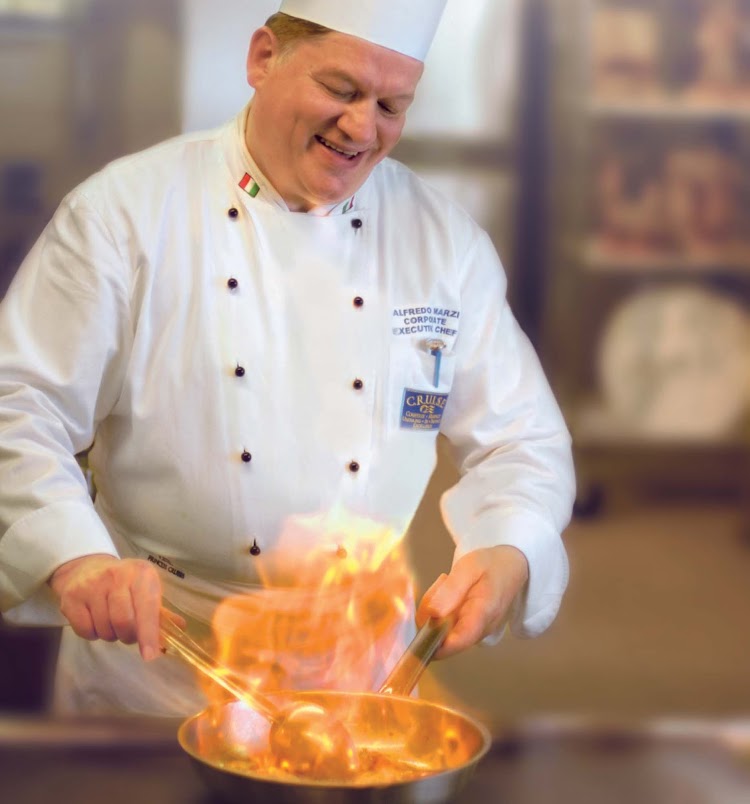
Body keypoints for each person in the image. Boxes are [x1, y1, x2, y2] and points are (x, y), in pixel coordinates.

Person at [0, 0, 575, 716]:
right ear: (263, 58)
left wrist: (506, 544)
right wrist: (74, 556)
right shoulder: (123, 217)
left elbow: (522, 438)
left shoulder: (443, 243)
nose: (363, 128)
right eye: (341, 90)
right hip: (159, 661)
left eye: (392, 105)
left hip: (361, 674)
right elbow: (20, 406)